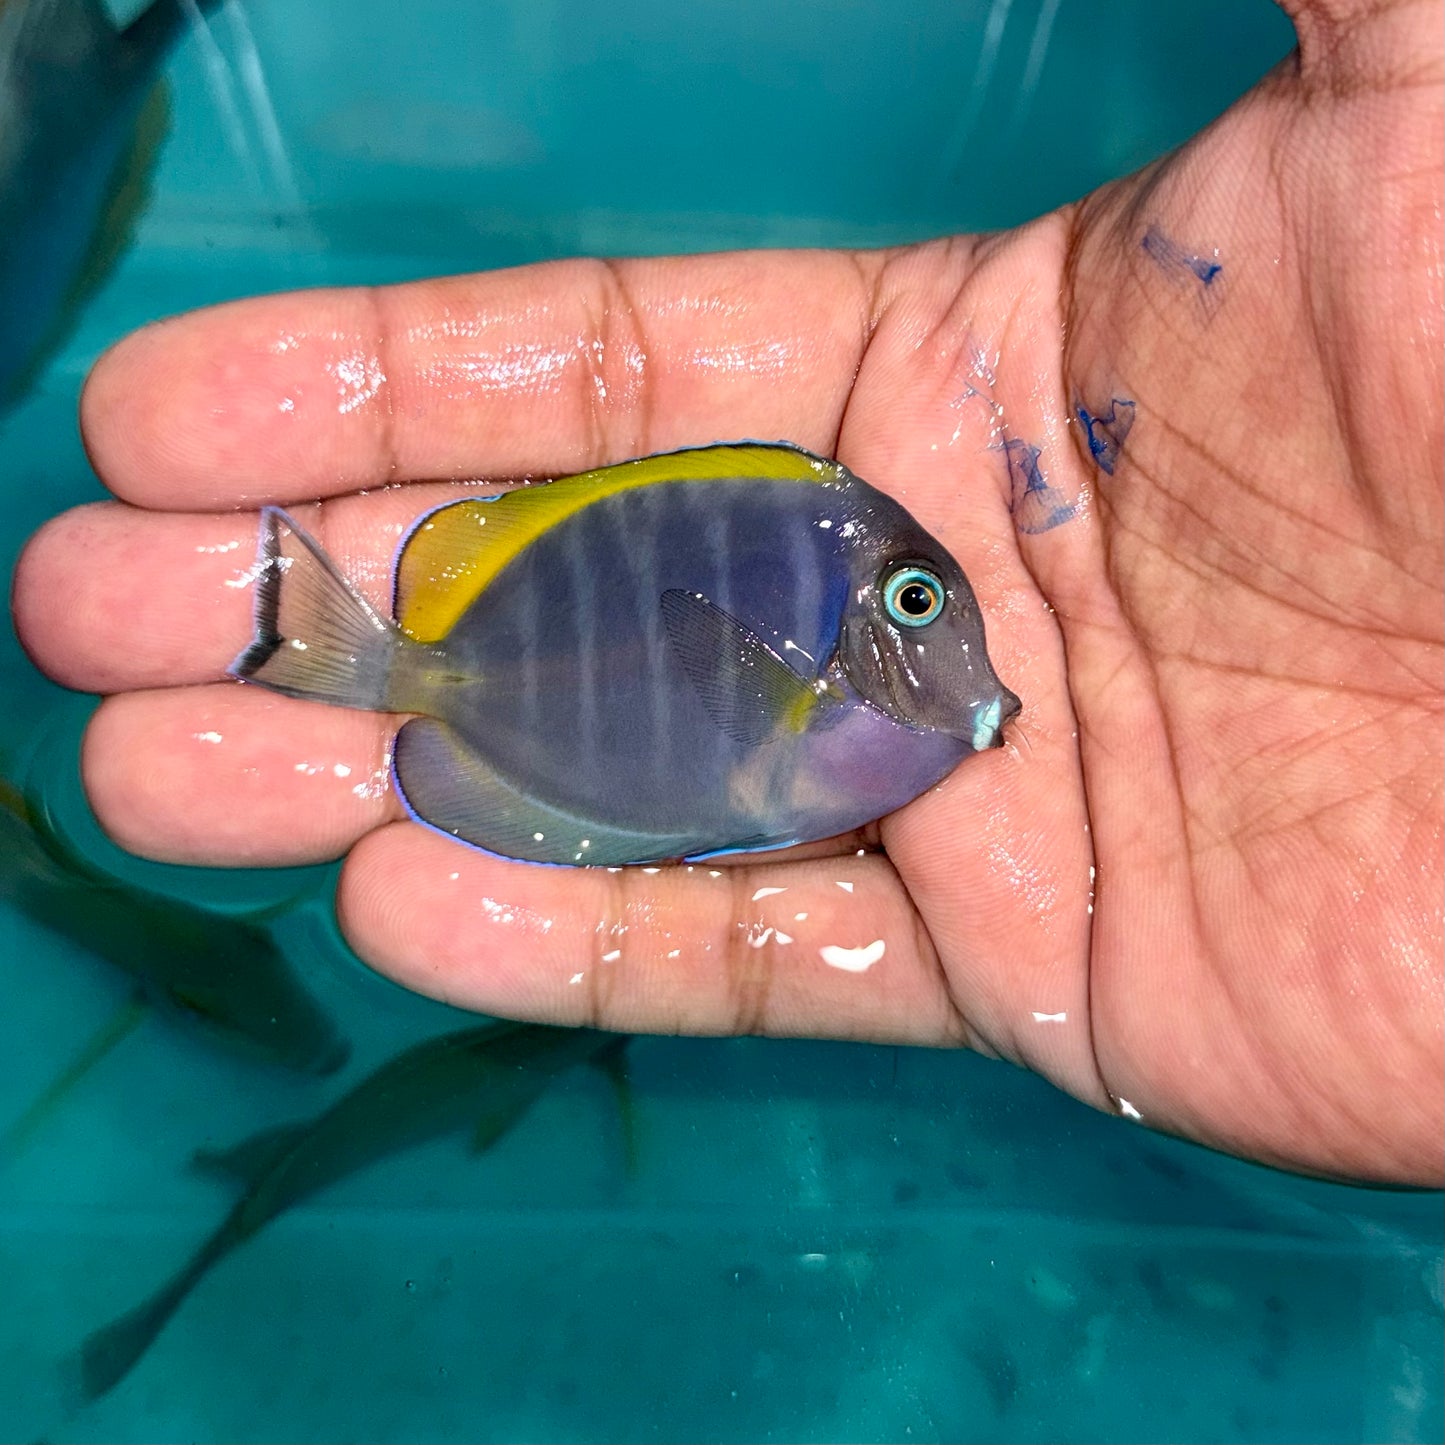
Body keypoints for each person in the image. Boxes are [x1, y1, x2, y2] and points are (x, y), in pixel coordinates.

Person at [13, 0, 1441, 1185]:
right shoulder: (852, 648)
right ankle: (368, 657)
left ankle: (366, 656)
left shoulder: (887, 678)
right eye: (919, 605)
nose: (953, 644)